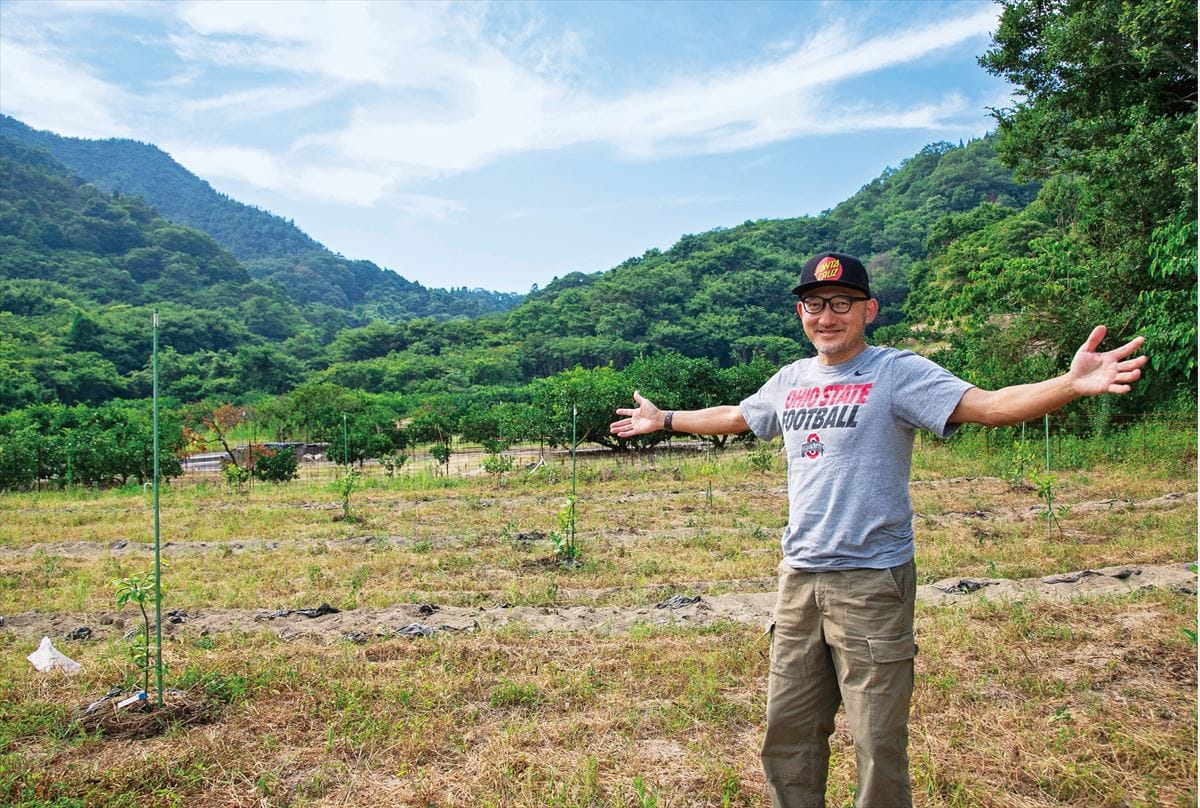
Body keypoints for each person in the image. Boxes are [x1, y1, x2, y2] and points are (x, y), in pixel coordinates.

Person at [609, 251, 1147, 808]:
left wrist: (1070, 382)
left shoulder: (897, 372)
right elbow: (738, 417)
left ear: (869, 310)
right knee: (787, 734)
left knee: (876, 742)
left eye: (841, 303)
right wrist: (664, 419)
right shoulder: (790, 380)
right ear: (801, 313)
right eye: (815, 305)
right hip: (798, 581)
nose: (827, 316)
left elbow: (989, 407)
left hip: (872, 581)